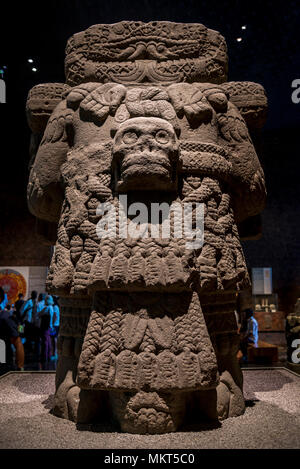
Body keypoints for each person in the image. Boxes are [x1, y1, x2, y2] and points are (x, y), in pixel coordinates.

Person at [0, 304, 25, 371]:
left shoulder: (5, 316)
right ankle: (20, 366)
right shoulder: (7, 315)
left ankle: (19, 366)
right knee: (17, 341)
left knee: (17, 341)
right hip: (10, 325)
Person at [39, 295, 54, 363]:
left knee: (46, 341)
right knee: (48, 341)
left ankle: (45, 356)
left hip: (46, 326)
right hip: (48, 326)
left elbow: (39, 314)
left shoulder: (48, 308)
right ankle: (48, 356)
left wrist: (50, 325)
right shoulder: (50, 307)